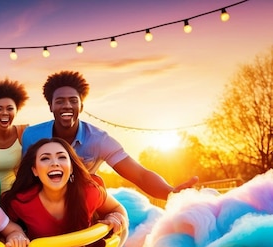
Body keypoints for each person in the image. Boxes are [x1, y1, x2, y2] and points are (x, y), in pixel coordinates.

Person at [21, 71, 198, 200]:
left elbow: (139, 175)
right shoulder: (32, 136)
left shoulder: (99, 140)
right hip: (43, 203)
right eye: (59, 101)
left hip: (82, 203)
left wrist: (170, 193)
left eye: (73, 101)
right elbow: (25, 180)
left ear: (81, 107)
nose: (66, 105)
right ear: (51, 107)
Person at [1, 138, 128, 247]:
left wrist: (116, 216)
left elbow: (117, 207)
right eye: (45, 158)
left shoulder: (89, 192)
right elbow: (4, 225)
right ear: (35, 170)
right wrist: (15, 234)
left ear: (71, 167)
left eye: (61, 157)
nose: (55, 163)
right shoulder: (21, 201)